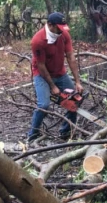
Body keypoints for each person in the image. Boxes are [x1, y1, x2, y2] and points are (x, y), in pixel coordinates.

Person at [27, 12, 84, 141]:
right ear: (50, 25)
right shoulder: (38, 41)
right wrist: (52, 86)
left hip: (60, 72)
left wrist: (77, 81)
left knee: (75, 99)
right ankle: (33, 134)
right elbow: (41, 65)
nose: (61, 31)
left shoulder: (64, 35)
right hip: (41, 74)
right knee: (43, 105)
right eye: (58, 28)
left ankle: (66, 131)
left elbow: (70, 57)